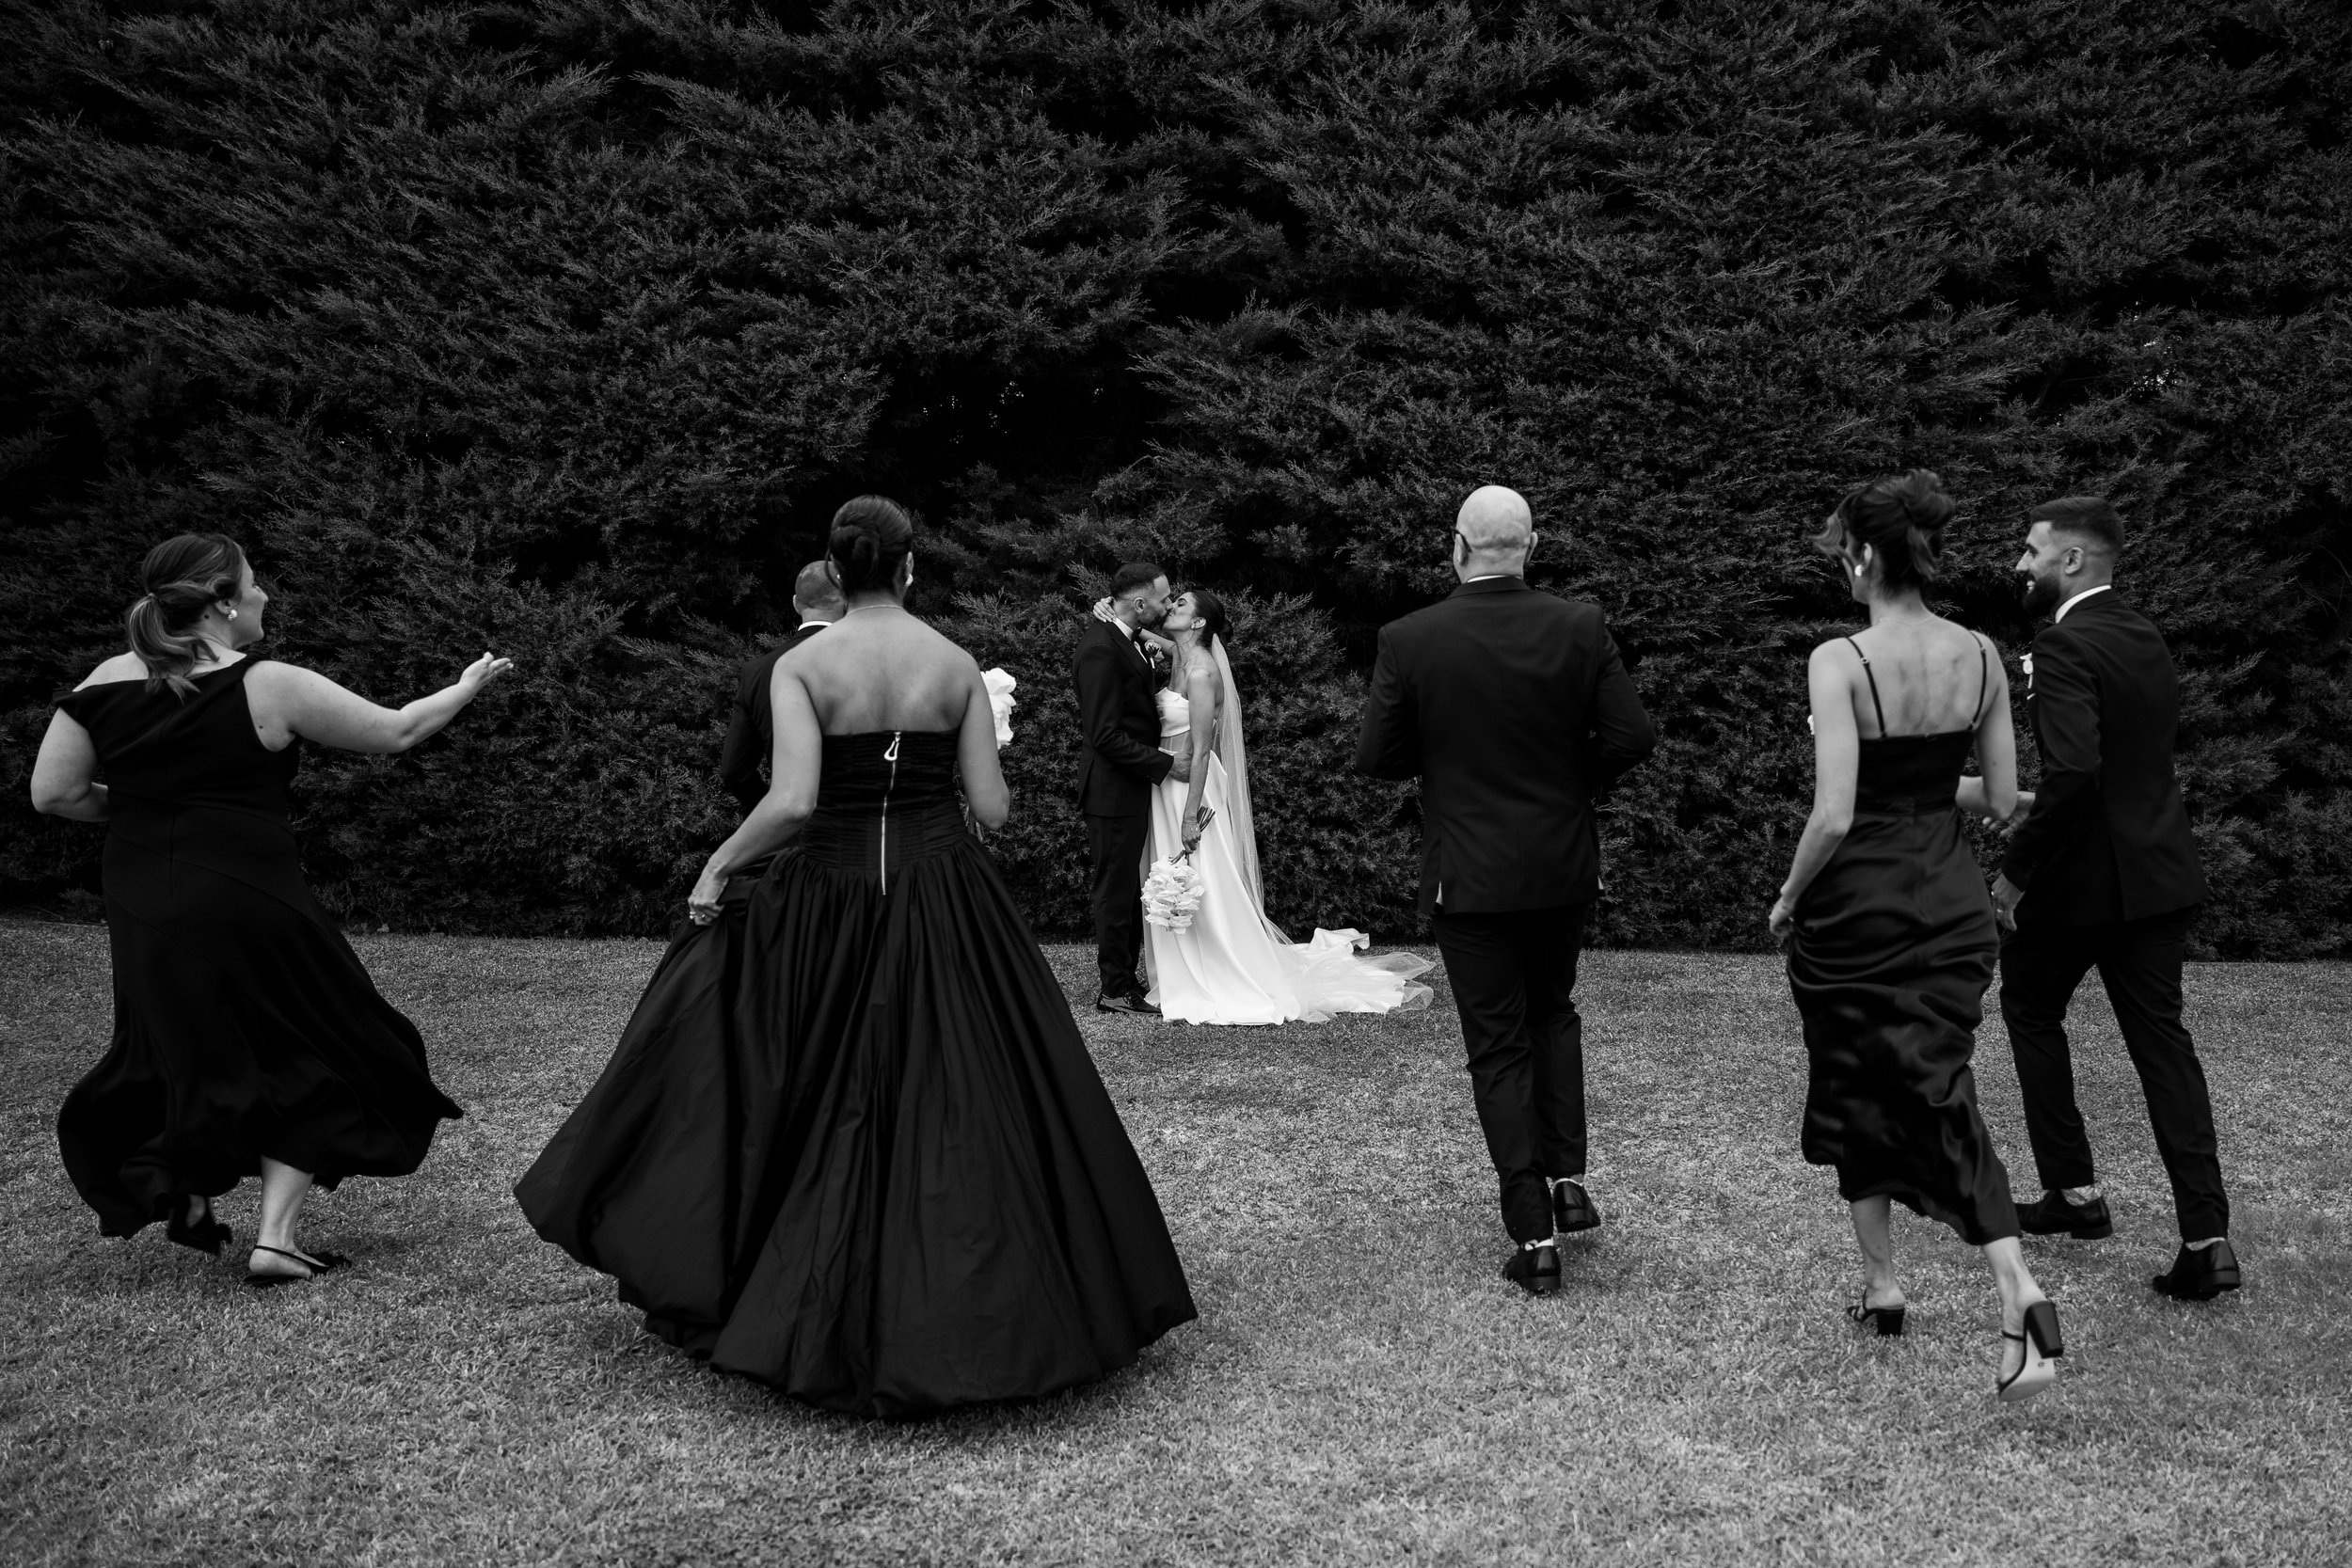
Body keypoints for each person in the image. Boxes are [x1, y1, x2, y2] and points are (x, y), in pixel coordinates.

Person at [516, 496, 1196, 1418]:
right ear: (909, 567)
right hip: (943, 893)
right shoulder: (952, 663)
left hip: (827, 895)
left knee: (808, 1083)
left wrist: (719, 862)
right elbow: (991, 812)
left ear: (836, 573)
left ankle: (784, 1289)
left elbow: (793, 800)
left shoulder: (805, 663)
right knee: (967, 1085)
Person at [28, 533, 508, 1287]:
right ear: (221, 603)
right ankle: (274, 1239)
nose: (265, 597)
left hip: (143, 897)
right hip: (250, 895)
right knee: (319, 1039)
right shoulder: (268, 683)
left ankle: (180, 1183)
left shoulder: (101, 681)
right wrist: (467, 685)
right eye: (254, 585)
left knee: (180, 1041)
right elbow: (399, 730)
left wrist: (152, 810)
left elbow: (53, 793)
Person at [1770, 469, 2061, 1401]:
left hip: (1857, 907)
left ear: (1861, 555)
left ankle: (1999, 1283)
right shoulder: (1980, 652)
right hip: (1947, 901)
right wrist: (1937, 788)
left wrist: (1785, 897)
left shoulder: (1838, 659)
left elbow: (1832, 815)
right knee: (1932, 1080)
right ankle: (1889, 1288)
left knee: (1860, 1075)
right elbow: (2006, 801)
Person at [1354, 485, 1656, 1296]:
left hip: (1472, 869)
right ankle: (1566, 1181)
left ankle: (1533, 1234)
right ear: (1532, 543)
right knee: (1552, 1012)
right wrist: (1568, 783)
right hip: (1561, 863)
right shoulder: (1580, 625)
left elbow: (1378, 755)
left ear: (1458, 546)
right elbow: (1632, 736)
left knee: (1497, 1042)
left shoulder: (1411, 637)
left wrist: (1448, 758)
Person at [1993, 497, 2237, 1301]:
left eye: (2032, 551)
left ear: (2070, 561)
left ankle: (2075, 1194)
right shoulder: (2143, 634)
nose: (2021, 565)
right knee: (2163, 1046)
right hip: (2159, 877)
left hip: (2076, 887)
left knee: (2029, 1007)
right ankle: (2208, 1239)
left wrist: (2016, 872)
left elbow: (2074, 776)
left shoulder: (2060, 645)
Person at [1095, 589, 1433, 1024]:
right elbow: (1143, 635)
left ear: (1198, 623)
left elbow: (1199, 751)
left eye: (1180, 605)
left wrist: (1189, 816)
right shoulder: (1180, 654)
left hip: (1189, 790)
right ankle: (1175, 969)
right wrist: (1117, 615)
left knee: (1202, 880)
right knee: (1172, 876)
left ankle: (1217, 969)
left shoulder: (1200, 672)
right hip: (1164, 785)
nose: (1170, 607)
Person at [1073, 562, 1189, 1016]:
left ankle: (1125, 976)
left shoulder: (1127, 638)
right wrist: (1164, 763)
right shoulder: (1101, 648)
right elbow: (1102, 735)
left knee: (1128, 886)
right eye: (1162, 599)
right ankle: (1115, 989)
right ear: (1140, 604)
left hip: (1128, 788)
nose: (1167, 605)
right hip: (1112, 791)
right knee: (1115, 889)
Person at [717, 559, 846, 816]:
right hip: (863, 833)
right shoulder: (872, 661)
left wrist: (777, 814)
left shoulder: (758, 672)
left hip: (795, 836)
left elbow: (734, 771)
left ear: (796, 603)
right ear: (846, 601)